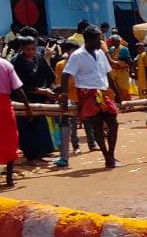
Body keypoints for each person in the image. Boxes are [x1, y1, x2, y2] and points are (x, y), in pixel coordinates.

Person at [60, 26, 123, 168]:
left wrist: (117, 93)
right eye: (97, 39)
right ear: (88, 40)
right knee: (98, 126)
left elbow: (108, 74)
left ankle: (111, 155)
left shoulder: (100, 53)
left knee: (113, 123)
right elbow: (65, 75)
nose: (100, 41)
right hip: (87, 94)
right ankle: (107, 157)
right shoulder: (77, 55)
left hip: (102, 93)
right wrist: (64, 95)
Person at [0, 33, 31, 188]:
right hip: (4, 106)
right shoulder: (6, 64)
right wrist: (28, 108)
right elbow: (18, 89)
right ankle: (9, 179)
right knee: (10, 139)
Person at [11, 36, 56, 163]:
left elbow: (50, 75)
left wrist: (48, 90)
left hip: (39, 98)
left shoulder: (39, 58)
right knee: (27, 128)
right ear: (22, 49)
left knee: (40, 126)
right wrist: (42, 91)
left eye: (33, 48)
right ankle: (30, 157)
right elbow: (19, 85)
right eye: (27, 49)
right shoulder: (16, 62)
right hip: (23, 98)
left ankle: (41, 154)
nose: (31, 52)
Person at [55, 40, 98, 164]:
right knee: (72, 124)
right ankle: (76, 146)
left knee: (88, 121)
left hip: (83, 95)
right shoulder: (60, 65)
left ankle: (92, 143)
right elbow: (59, 82)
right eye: (72, 50)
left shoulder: (81, 62)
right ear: (67, 51)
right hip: (71, 97)